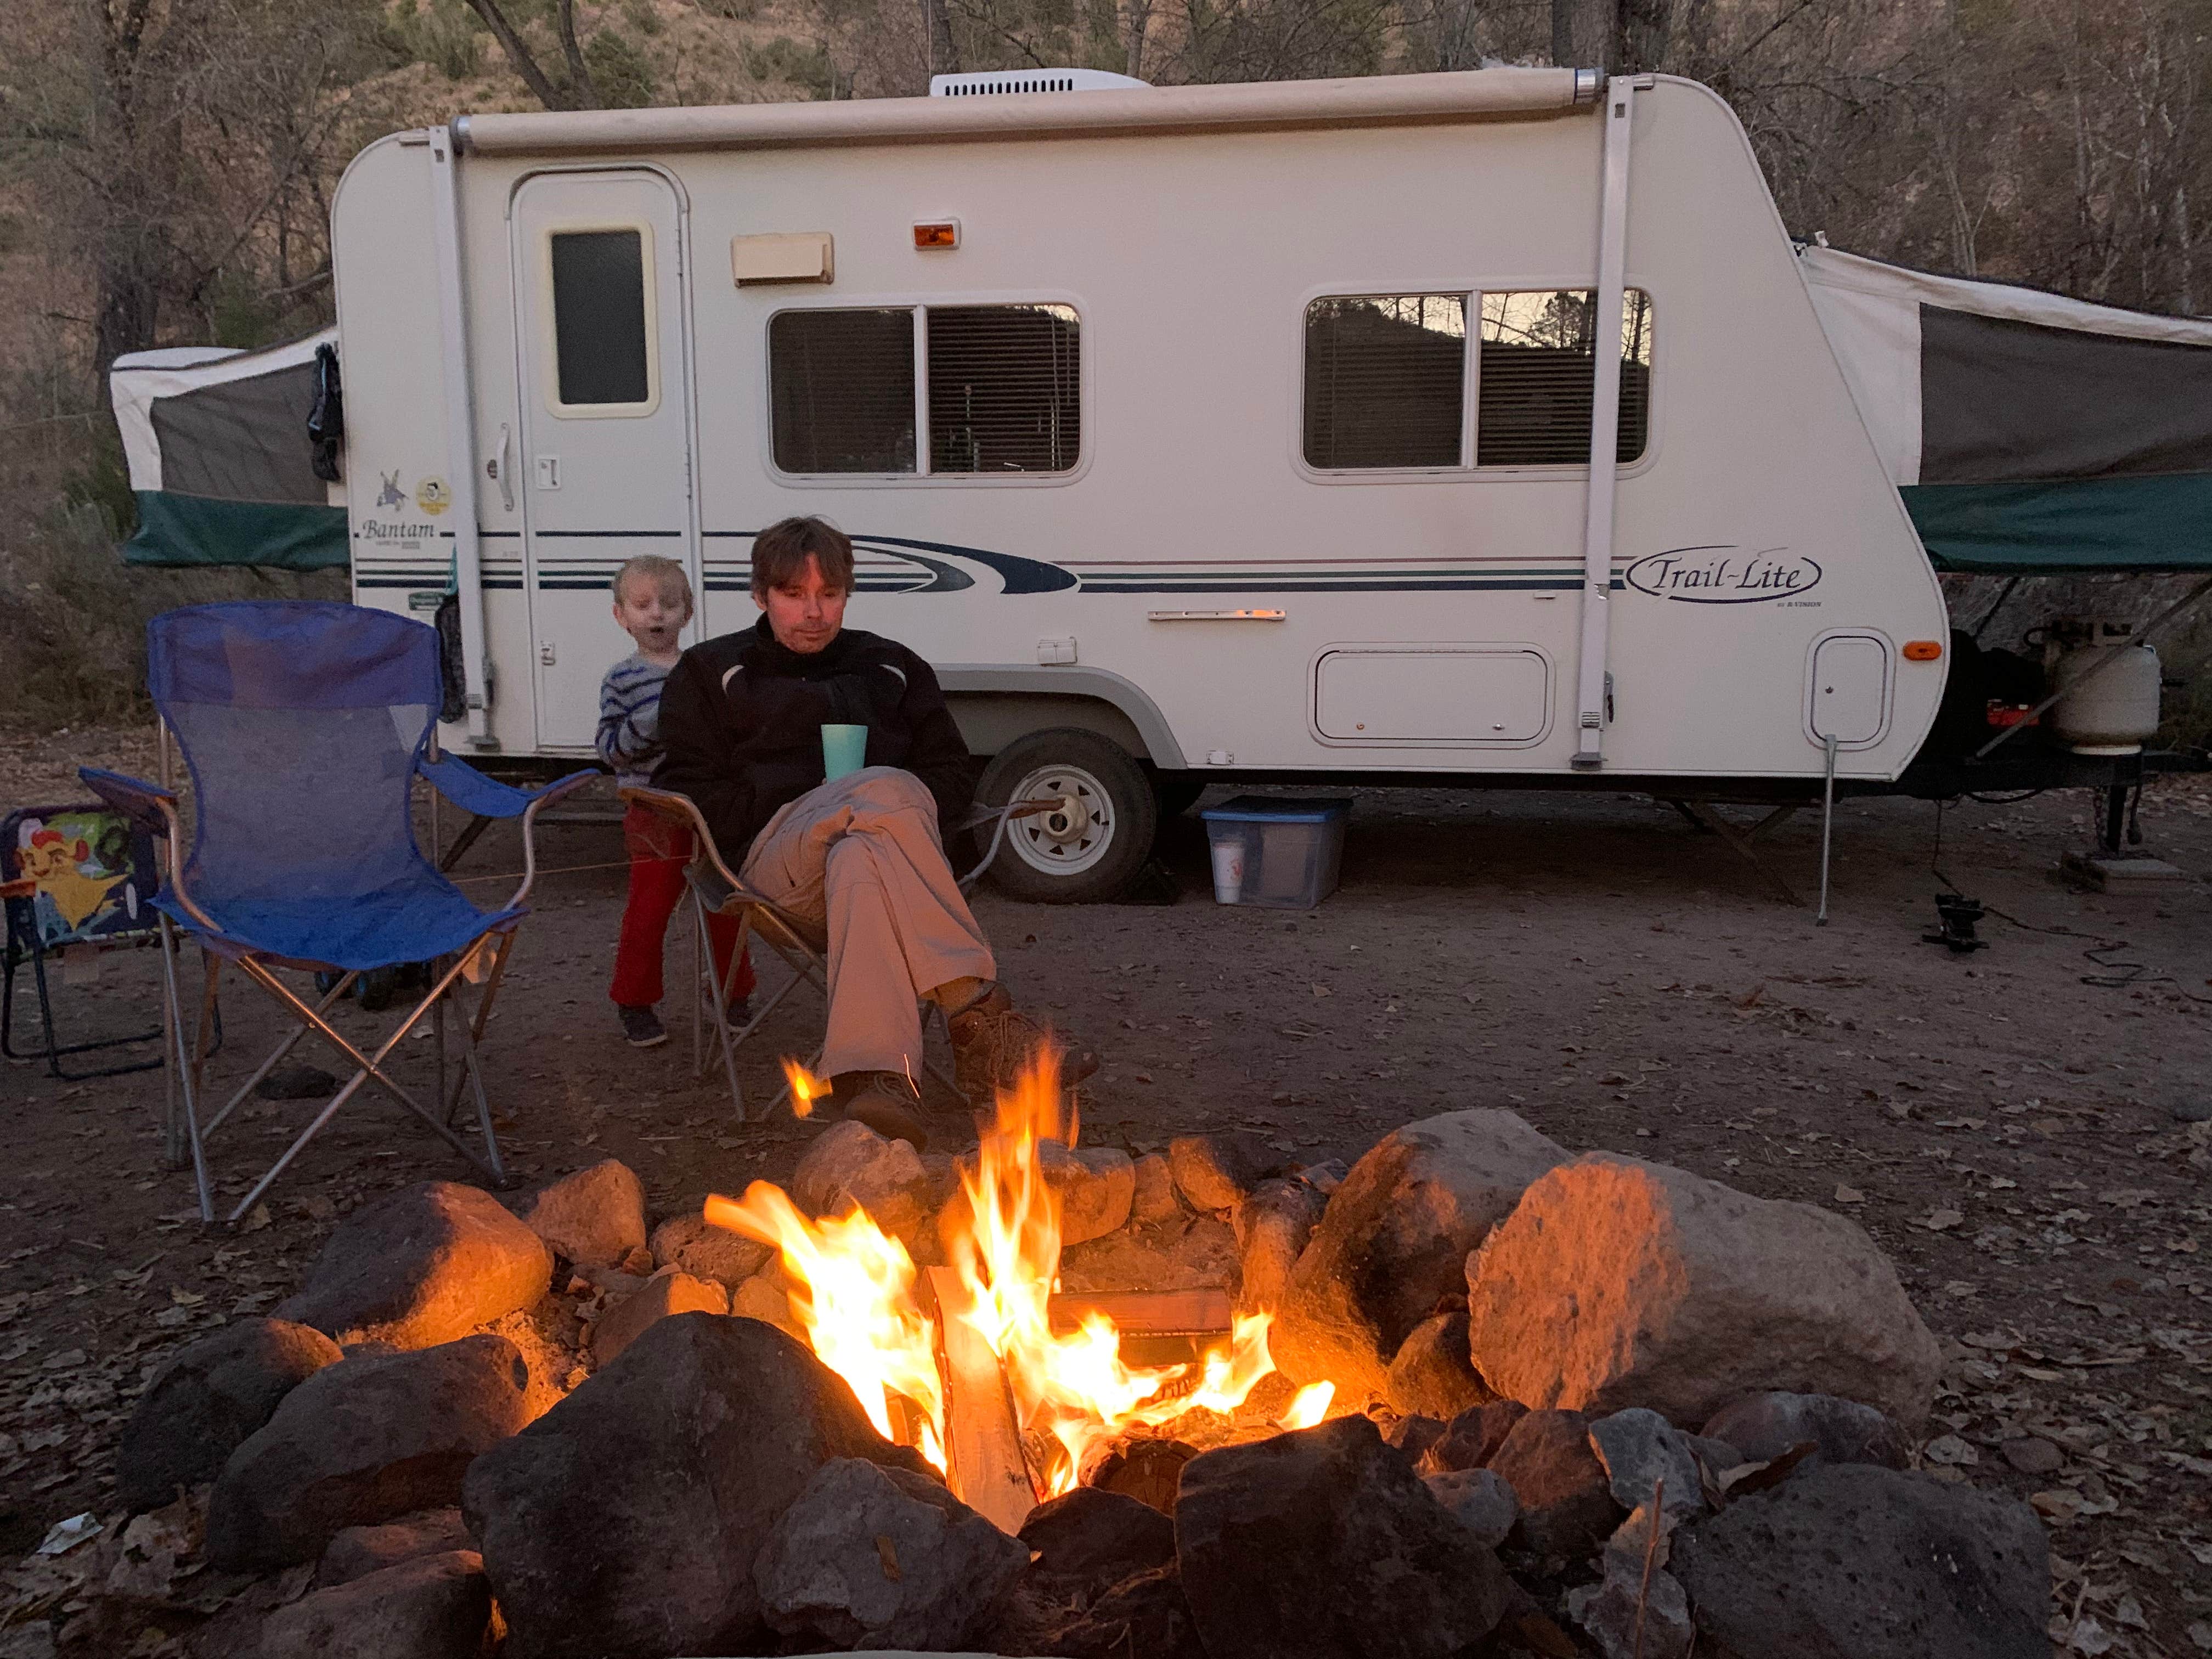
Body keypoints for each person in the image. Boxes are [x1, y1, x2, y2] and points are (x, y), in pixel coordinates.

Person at [656, 516, 1097, 1147]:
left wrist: (879, 810)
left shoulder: (890, 667)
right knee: (883, 790)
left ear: (848, 592)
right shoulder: (712, 672)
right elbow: (692, 793)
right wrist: (822, 795)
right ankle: (976, 1016)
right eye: (794, 595)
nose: (814, 612)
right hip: (774, 866)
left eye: (829, 594)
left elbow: (951, 774)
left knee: (863, 853)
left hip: (882, 863)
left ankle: (877, 1078)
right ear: (760, 595)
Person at [599, 555, 755, 1048]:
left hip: (707, 806)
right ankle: (635, 1000)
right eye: (643, 605)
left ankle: (732, 992)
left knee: (726, 899)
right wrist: (654, 721)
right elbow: (608, 749)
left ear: (688, 612)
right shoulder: (622, 679)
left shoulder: (704, 670)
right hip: (652, 807)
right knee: (650, 907)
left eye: (669, 604)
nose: (657, 614)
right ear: (621, 616)